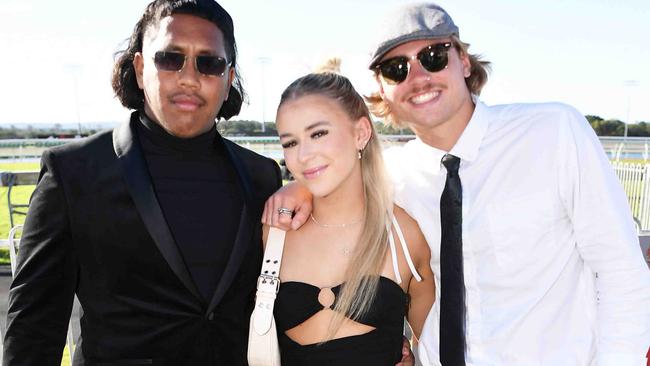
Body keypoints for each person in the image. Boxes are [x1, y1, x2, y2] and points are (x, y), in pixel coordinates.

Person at [264, 3, 650, 365]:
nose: (417, 77)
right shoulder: (394, 177)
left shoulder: (553, 133)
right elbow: (336, 181)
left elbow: (621, 271)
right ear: (383, 89)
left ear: (463, 60)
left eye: (434, 57)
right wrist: (296, 188)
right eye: (396, 68)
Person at [3, 1, 281, 365]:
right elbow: (33, 330)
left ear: (229, 79)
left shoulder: (263, 177)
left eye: (209, 63)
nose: (189, 77)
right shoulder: (73, 172)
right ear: (139, 68)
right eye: (170, 58)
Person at [263, 68, 434, 365]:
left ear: (360, 134)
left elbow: (437, 347)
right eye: (289, 142)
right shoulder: (276, 230)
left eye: (318, 133)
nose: (302, 155)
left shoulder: (404, 235)